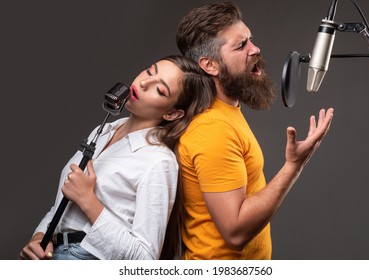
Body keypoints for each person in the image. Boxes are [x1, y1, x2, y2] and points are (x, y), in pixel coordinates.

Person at [175, 2, 334, 259]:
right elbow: (235, 231)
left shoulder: (227, 112)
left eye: (251, 39)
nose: (255, 49)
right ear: (210, 65)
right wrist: (293, 166)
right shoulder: (212, 130)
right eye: (241, 45)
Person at [19, 55, 216, 260]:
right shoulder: (104, 131)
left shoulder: (159, 161)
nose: (144, 83)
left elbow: (145, 260)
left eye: (160, 90)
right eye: (150, 71)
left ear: (172, 114)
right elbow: (63, 204)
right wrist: (40, 237)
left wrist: (88, 200)